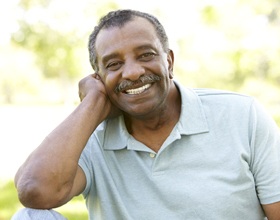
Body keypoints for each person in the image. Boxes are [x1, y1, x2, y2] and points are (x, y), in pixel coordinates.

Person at [12, 9, 280, 220]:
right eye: (113, 64)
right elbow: (35, 192)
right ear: (99, 77)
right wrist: (92, 104)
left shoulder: (242, 115)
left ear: (169, 61)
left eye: (146, 55)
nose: (132, 72)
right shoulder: (89, 136)